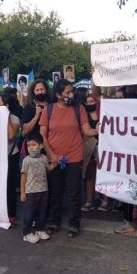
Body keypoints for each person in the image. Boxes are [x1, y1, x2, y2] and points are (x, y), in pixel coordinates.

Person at [39, 79, 98, 238]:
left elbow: (87, 131)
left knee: (74, 193)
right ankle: (53, 221)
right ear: (58, 95)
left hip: (74, 156)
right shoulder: (48, 110)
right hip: (55, 157)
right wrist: (51, 154)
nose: (71, 95)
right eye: (67, 92)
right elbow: (43, 134)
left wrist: (97, 129)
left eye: (72, 91)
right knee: (56, 191)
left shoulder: (79, 108)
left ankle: (74, 224)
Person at [20, 132, 54, 243]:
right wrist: (22, 192)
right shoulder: (26, 160)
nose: (31, 148)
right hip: (30, 191)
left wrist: (55, 163)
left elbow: (48, 169)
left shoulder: (44, 158)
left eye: (33, 145)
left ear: (41, 146)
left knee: (42, 212)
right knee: (29, 212)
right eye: (29, 145)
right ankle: (27, 232)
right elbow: (23, 176)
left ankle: (40, 229)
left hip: (43, 190)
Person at [0, 92, 21, 225]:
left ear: (7, 105)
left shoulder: (14, 118)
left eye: (0, 103)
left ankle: (11, 213)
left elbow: (11, 136)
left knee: (9, 186)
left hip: (10, 155)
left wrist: (5, 116)